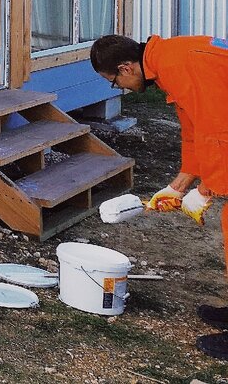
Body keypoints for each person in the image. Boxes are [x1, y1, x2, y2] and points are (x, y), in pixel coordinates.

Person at [90, 33, 228, 359]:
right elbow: (194, 128)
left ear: (126, 67)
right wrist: (180, 185)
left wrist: (207, 190)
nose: (120, 88)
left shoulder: (180, 64)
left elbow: (218, 129)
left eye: (114, 82)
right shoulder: (167, 60)